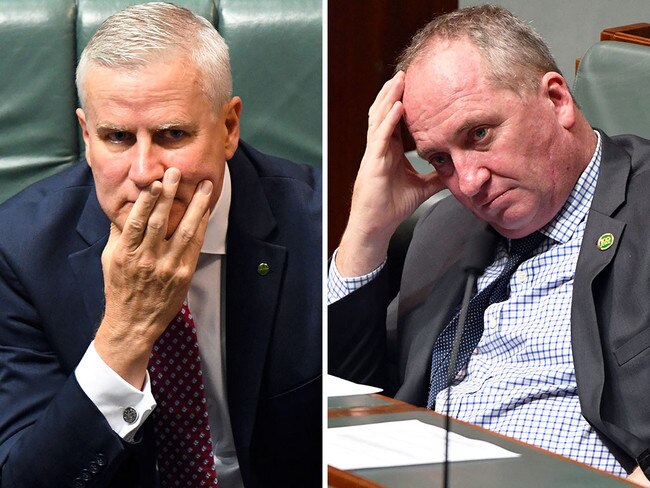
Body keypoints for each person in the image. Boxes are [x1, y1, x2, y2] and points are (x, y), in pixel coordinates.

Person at [0, 3, 321, 487]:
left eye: (173, 135)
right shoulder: (19, 250)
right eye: (117, 137)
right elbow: (28, 479)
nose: (146, 172)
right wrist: (125, 333)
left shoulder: (318, 225)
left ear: (229, 128)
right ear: (86, 136)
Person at [328, 5, 650, 485]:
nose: (468, 181)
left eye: (479, 134)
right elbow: (353, 401)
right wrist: (366, 232)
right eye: (440, 158)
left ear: (557, 99)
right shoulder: (443, 230)